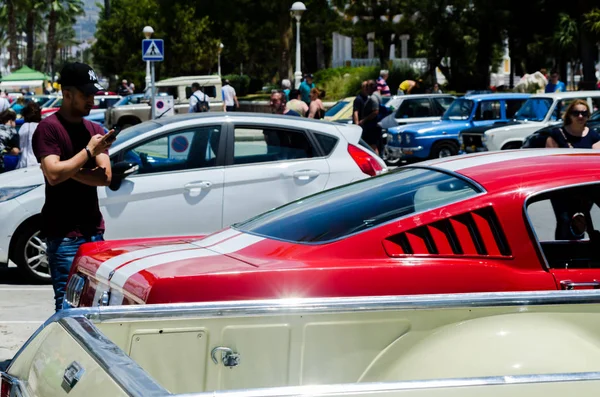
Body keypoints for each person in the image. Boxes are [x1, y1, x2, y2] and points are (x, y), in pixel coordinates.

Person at [32, 62, 115, 312]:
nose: (92, 99)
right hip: (64, 236)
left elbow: (105, 177)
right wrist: (88, 151)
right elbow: (54, 176)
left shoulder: (95, 130)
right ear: (66, 94)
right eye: (85, 94)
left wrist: (67, 169)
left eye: (93, 94)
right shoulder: (48, 129)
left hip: (94, 233)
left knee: (95, 307)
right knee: (67, 307)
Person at [359, 80, 382, 154]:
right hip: (374, 125)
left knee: (372, 147)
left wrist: (364, 120)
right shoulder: (377, 95)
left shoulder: (373, 97)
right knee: (373, 146)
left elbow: (375, 111)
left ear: (371, 87)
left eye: (367, 86)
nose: (366, 88)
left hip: (372, 127)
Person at [17, 101, 42, 169]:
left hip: (23, 163)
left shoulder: (22, 128)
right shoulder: (40, 127)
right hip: (37, 164)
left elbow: (20, 146)